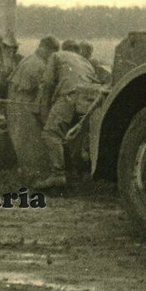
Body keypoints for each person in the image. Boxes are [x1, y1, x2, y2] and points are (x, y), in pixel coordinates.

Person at [36, 41, 98, 189]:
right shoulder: (86, 62)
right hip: (88, 102)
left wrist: (44, 110)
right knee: (74, 138)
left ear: (64, 48)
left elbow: (48, 84)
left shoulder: (56, 56)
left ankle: (57, 175)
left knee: (51, 134)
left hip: (69, 97)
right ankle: (76, 174)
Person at [5, 35, 59, 178]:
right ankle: (33, 175)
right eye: (51, 53)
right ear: (45, 49)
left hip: (15, 102)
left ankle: (27, 172)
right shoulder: (39, 65)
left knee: (22, 140)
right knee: (30, 141)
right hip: (24, 105)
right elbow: (44, 92)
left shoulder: (28, 59)